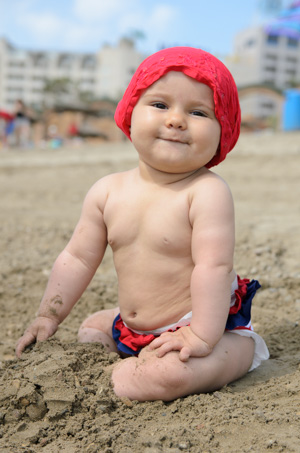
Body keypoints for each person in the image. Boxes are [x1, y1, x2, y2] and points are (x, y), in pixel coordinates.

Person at [16, 47, 269, 401]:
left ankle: (231, 352)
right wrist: (48, 315)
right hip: (133, 327)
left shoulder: (206, 192)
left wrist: (200, 337)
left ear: (222, 131)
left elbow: (214, 267)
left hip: (205, 327)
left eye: (198, 112)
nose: (176, 120)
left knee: (168, 377)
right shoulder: (107, 191)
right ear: (130, 113)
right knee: (91, 330)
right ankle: (128, 351)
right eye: (160, 105)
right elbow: (77, 258)